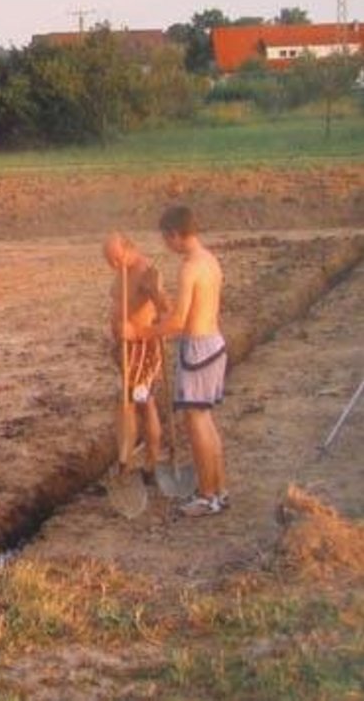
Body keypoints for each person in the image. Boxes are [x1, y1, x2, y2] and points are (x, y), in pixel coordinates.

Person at [126, 205, 229, 518]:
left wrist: (140, 332)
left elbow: (180, 323)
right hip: (213, 343)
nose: (165, 245)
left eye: (165, 239)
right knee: (205, 420)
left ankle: (207, 495)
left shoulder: (190, 268)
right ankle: (219, 491)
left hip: (197, 350)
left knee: (195, 423)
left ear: (174, 234)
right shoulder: (209, 261)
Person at [103, 233, 168, 486]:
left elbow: (165, 310)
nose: (114, 266)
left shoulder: (147, 272)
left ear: (130, 248)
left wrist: (142, 329)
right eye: (109, 261)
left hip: (142, 352)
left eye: (116, 259)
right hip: (126, 350)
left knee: (141, 402)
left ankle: (145, 463)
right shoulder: (125, 268)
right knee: (134, 402)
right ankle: (130, 462)